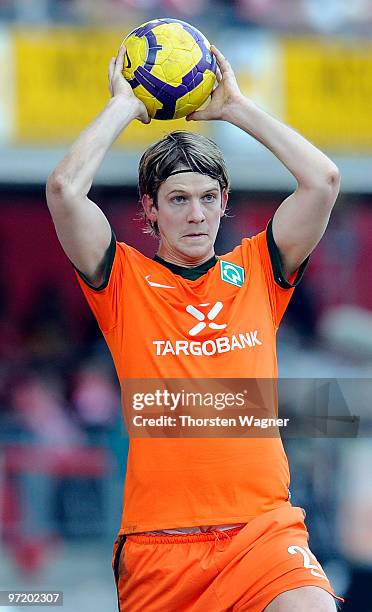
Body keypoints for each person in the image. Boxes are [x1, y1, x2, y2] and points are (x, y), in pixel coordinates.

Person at [46, 42, 343, 611]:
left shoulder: (259, 269)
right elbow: (63, 190)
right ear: (149, 210)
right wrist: (124, 106)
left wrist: (234, 107)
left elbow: (323, 180)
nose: (196, 214)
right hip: (160, 548)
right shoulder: (122, 280)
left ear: (225, 202)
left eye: (209, 197)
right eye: (177, 199)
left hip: (263, 531)